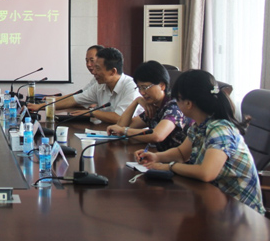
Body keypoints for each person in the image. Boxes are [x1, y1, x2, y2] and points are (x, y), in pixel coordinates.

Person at [135, 69, 265, 215]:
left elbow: (206, 173)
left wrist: (169, 167)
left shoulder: (220, 130)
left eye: (177, 100)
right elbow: (181, 153)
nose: (176, 104)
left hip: (241, 214)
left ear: (188, 103)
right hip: (216, 202)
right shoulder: (199, 126)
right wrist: (157, 157)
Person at [28, 47, 140, 124]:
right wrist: (40, 106)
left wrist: (92, 112)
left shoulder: (131, 87)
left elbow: (120, 118)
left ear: (112, 71)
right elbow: (73, 100)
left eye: (98, 68)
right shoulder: (100, 86)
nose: (94, 72)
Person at [107, 60, 192, 150]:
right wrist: (136, 101)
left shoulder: (174, 106)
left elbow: (158, 135)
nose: (142, 92)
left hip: (181, 158)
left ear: (162, 86)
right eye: (139, 88)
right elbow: (120, 126)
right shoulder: (154, 106)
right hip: (161, 155)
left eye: (145, 87)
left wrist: (124, 131)